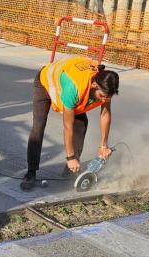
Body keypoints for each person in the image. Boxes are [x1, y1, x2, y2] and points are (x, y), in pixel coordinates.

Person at [20, 56, 120, 191]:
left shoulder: (107, 83)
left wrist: (103, 145)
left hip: (68, 80)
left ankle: (71, 169)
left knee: (82, 123)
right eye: (102, 96)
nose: (104, 100)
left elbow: (105, 113)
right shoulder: (74, 88)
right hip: (45, 82)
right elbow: (67, 125)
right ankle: (31, 172)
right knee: (39, 124)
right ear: (94, 85)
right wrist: (70, 156)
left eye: (108, 97)